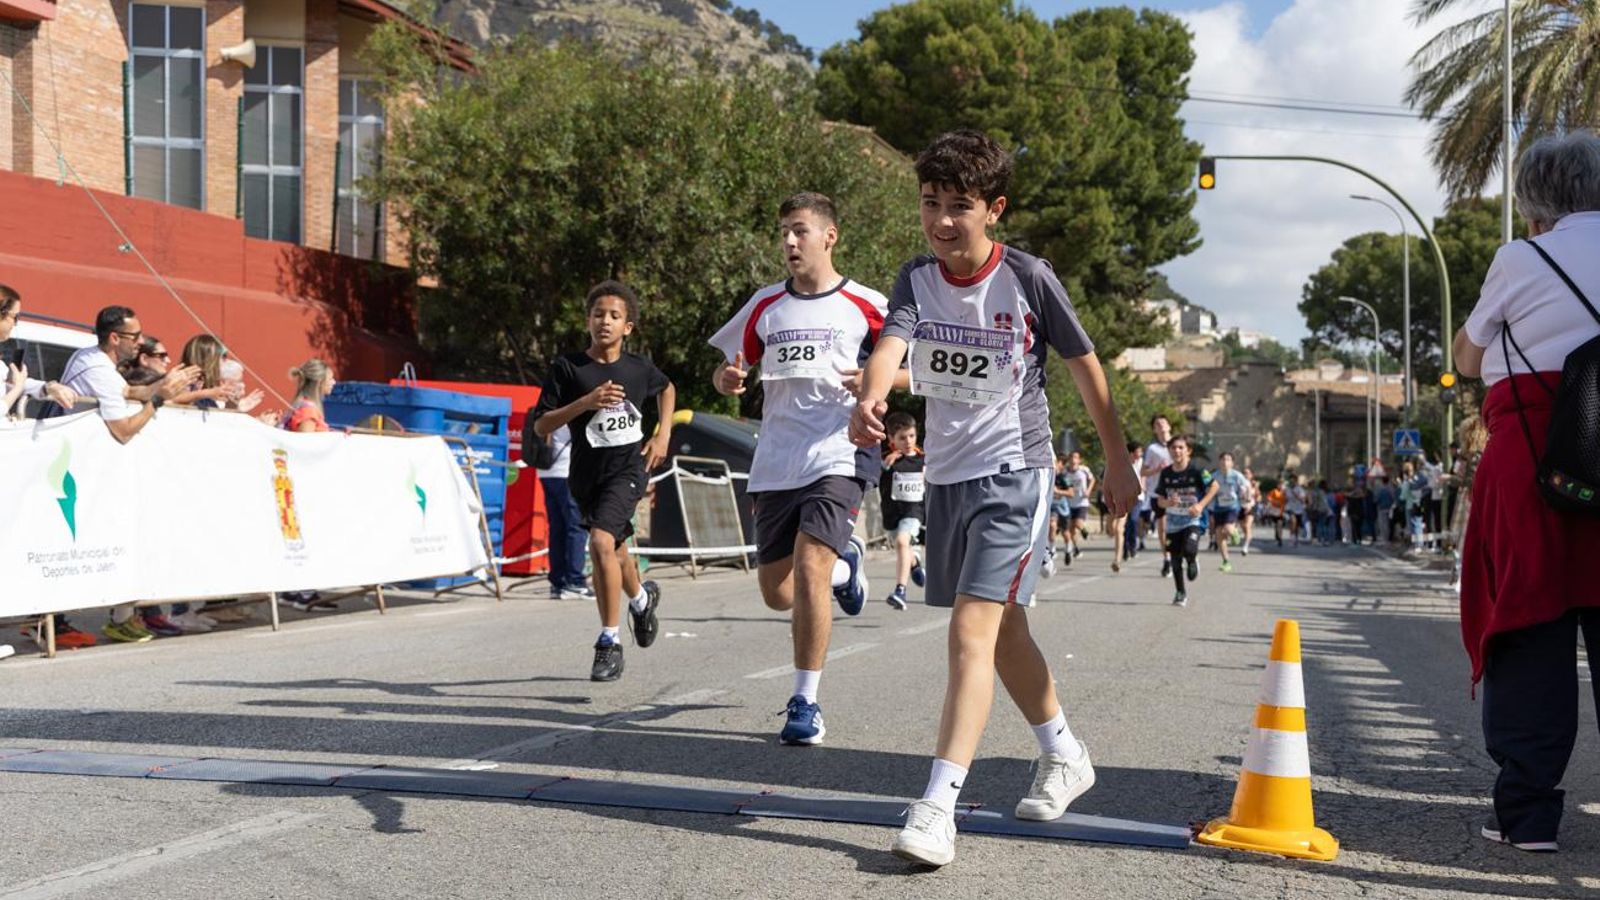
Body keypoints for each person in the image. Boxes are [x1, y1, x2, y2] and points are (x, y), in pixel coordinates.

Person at [846, 130, 1140, 868]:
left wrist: (1117, 461)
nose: (943, 220)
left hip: (1019, 471)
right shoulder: (916, 277)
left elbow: (1086, 366)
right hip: (947, 475)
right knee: (1003, 631)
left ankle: (938, 805)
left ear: (994, 210)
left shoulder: (1030, 279)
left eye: (960, 206)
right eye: (930, 203)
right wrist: (874, 396)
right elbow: (891, 346)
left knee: (972, 633)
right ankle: (1065, 752)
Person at [1452, 132, 1600, 852]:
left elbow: (1468, 356)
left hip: (1535, 459)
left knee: (1530, 628)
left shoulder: (1521, 257)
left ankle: (1529, 816)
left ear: (1534, 200)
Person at [709, 192, 885, 742]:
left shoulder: (866, 304)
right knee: (778, 593)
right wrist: (728, 381)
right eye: (784, 230)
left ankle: (804, 703)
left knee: (809, 568)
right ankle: (846, 567)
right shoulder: (765, 306)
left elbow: (914, 365)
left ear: (829, 236)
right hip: (777, 458)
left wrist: (875, 383)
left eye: (800, 230)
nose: (789, 240)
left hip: (839, 449)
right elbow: (725, 369)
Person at [535, 280, 673, 683]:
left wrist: (663, 434)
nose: (605, 322)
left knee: (599, 542)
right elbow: (542, 423)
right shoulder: (568, 368)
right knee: (616, 550)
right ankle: (642, 599)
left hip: (628, 472)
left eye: (614, 316)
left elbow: (667, 389)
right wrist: (585, 402)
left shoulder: (638, 368)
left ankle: (609, 641)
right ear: (588, 320)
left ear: (628, 327)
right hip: (586, 476)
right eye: (598, 315)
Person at [59, 307, 189, 643]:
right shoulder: (97, 368)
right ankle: (53, 621)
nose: (141, 342)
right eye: (136, 337)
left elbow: (130, 393)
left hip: (93, 469)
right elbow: (123, 430)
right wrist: (159, 400)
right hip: (80, 468)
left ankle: (120, 616)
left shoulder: (98, 361)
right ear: (115, 338)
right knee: (71, 541)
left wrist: (166, 386)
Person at [275, 359, 340, 614]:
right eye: (331, 379)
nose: (334, 383)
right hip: (304, 484)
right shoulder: (309, 411)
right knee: (308, 535)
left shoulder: (301, 407)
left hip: (300, 484)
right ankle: (303, 592)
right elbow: (305, 447)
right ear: (320, 382)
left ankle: (295, 590)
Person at [1153, 435, 1217, 607]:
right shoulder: (1166, 474)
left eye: (1181, 447)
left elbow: (1214, 486)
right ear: (1169, 451)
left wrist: (1201, 505)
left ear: (1188, 451)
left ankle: (1192, 559)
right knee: (1174, 561)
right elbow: (1160, 500)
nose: (1177, 451)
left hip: (1192, 520)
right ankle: (1180, 593)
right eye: (1173, 448)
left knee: (1189, 549)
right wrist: (1168, 502)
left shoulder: (1196, 470)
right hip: (1173, 524)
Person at [535, 425, 593, 601]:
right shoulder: (570, 408)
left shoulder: (547, 408)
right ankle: (575, 581)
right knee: (576, 527)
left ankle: (558, 583)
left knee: (557, 528)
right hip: (567, 470)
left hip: (546, 471)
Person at [879, 411, 928, 610]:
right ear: (891, 439)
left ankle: (900, 591)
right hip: (891, 515)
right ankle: (914, 563)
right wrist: (884, 466)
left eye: (911, 436)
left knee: (902, 541)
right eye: (902, 437)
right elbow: (873, 478)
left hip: (914, 513)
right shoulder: (888, 460)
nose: (908, 441)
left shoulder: (923, 461)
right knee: (902, 546)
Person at [1142, 415, 1174, 575]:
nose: (1161, 425)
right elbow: (1144, 471)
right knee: (1163, 530)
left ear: (1169, 426)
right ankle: (1167, 559)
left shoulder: (1178, 445)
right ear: (1154, 429)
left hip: (1177, 493)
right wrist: (1157, 469)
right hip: (1158, 493)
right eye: (1157, 424)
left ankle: (1182, 554)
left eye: (1163, 422)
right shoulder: (1152, 449)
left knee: (1177, 529)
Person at [1208, 452, 1246, 572]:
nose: (1225, 462)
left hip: (1232, 506)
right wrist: (1210, 508)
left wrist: (1245, 495)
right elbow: (1209, 491)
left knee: (1228, 528)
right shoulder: (1214, 476)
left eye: (1228, 460)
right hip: (1218, 507)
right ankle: (1226, 561)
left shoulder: (1237, 476)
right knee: (1219, 534)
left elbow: (1244, 488)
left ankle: (1235, 533)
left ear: (1232, 463)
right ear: (1219, 462)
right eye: (1223, 459)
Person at [1110, 443, 1144, 573]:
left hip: (1133, 499)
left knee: (1121, 528)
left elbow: (1145, 473)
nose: (1139, 455)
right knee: (1113, 529)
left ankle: (1117, 560)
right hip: (1116, 499)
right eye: (1137, 452)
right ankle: (1124, 549)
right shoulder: (1118, 464)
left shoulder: (1141, 463)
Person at [1062, 450, 1094, 560]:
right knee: (1071, 530)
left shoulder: (1084, 470)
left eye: (1075, 457)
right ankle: (1076, 548)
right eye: (1071, 457)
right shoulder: (1065, 471)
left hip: (1082, 502)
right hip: (1069, 502)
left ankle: (1085, 531)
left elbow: (1092, 479)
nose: (1073, 460)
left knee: (1078, 523)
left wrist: (1088, 491)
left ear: (1079, 460)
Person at [1239, 466, 1258, 556]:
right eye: (1244, 473)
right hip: (1240, 507)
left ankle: (1245, 547)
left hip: (1250, 506)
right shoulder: (1239, 484)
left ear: (1251, 475)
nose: (1245, 475)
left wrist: (1250, 500)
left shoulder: (1253, 484)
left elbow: (1258, 497)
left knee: (1247, 526)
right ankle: (1248, 537)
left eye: (1247, 473)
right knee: (1243, 527)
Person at [1263, 480, 1286, 547]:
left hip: (1282, 511)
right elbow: (1268, 498)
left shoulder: (1285, 492)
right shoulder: (1274, 491)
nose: (1281, 486)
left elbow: (1287, 500)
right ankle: (1277, 536)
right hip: (1274, 511)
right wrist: (1275, 502)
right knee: (1277, 524)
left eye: (1282, 485)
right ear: (1277, 485)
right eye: (1280, 485)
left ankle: (1280, 538)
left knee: (1280, 524)